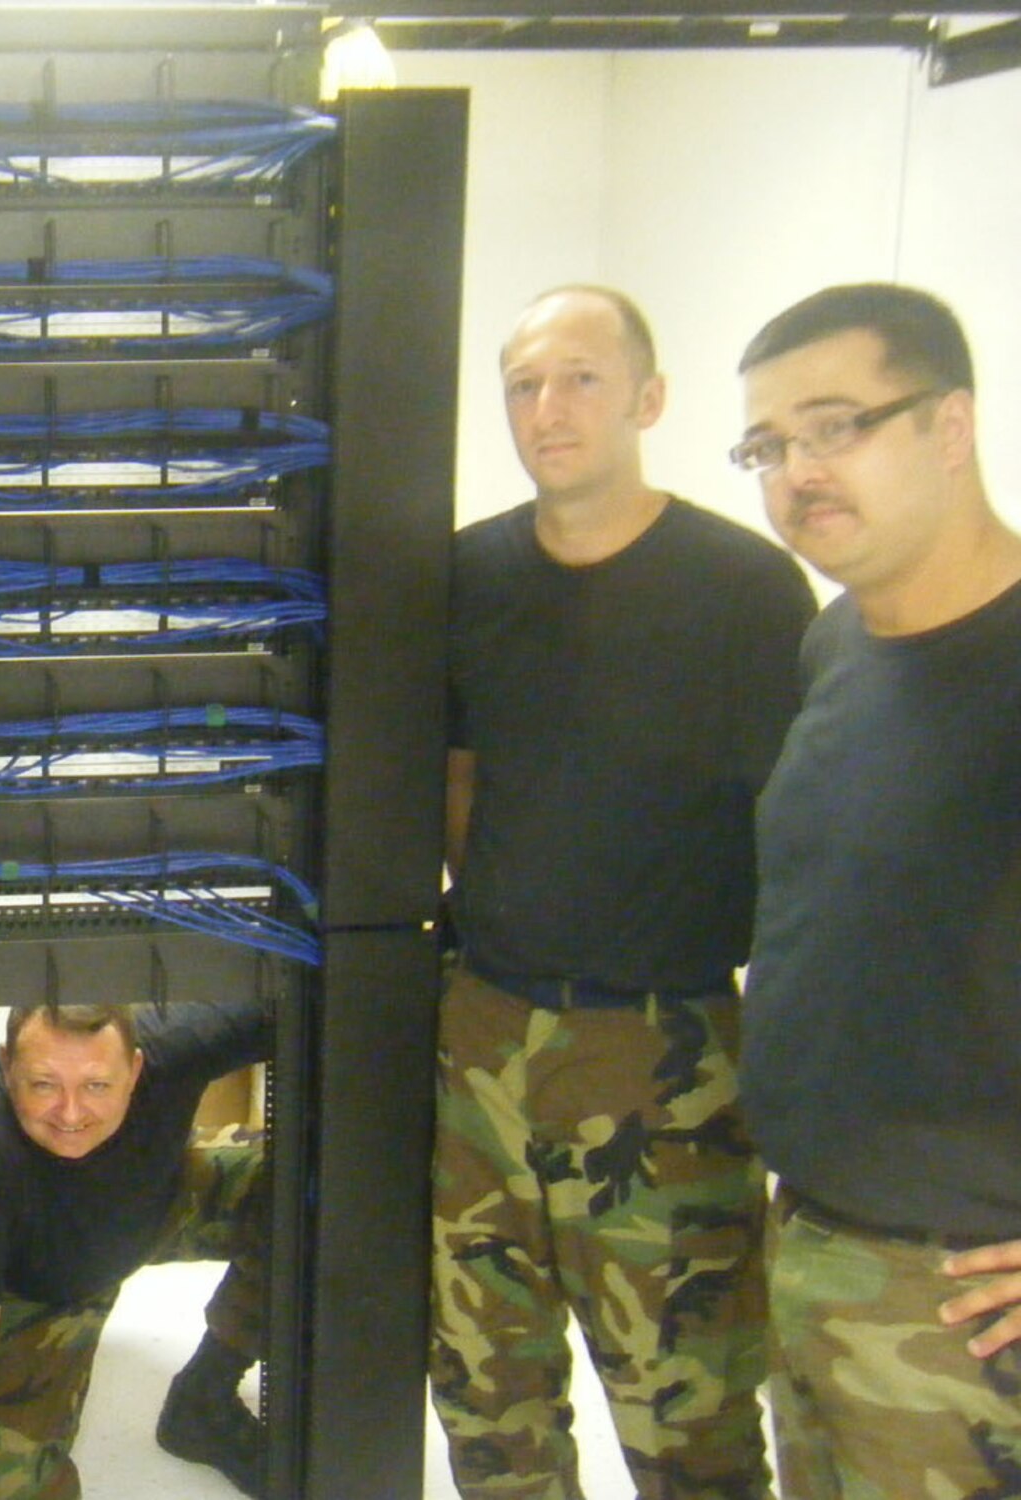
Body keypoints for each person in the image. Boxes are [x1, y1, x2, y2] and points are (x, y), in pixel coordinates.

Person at [429, 285, 816, 1499]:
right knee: (486, 1397)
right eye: (523, 385)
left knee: (687, 1415)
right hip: (480, 1036)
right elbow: (455, 783)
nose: (548, 409)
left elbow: (798, 837)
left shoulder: (745, 591)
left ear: (648, 398)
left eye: (581, 379)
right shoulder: (464, 575)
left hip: (667, 1053)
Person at [734, 283, 1021, 1498]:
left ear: (947, 425)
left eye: (834, 425)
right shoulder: (834, 645)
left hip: (961, 1308)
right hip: (811, 1244)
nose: (796, 470)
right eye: (767, 445)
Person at [0, 999, 269, 1500]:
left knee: (325, 1183)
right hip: (40, 1288)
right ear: (6, 1067)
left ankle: (205, 1399)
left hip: (161, 1204)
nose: (70, 1112)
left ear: (134, 1069)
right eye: (44, 1085)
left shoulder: (179, 1043)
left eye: (97, 1086)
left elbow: (330, 994)